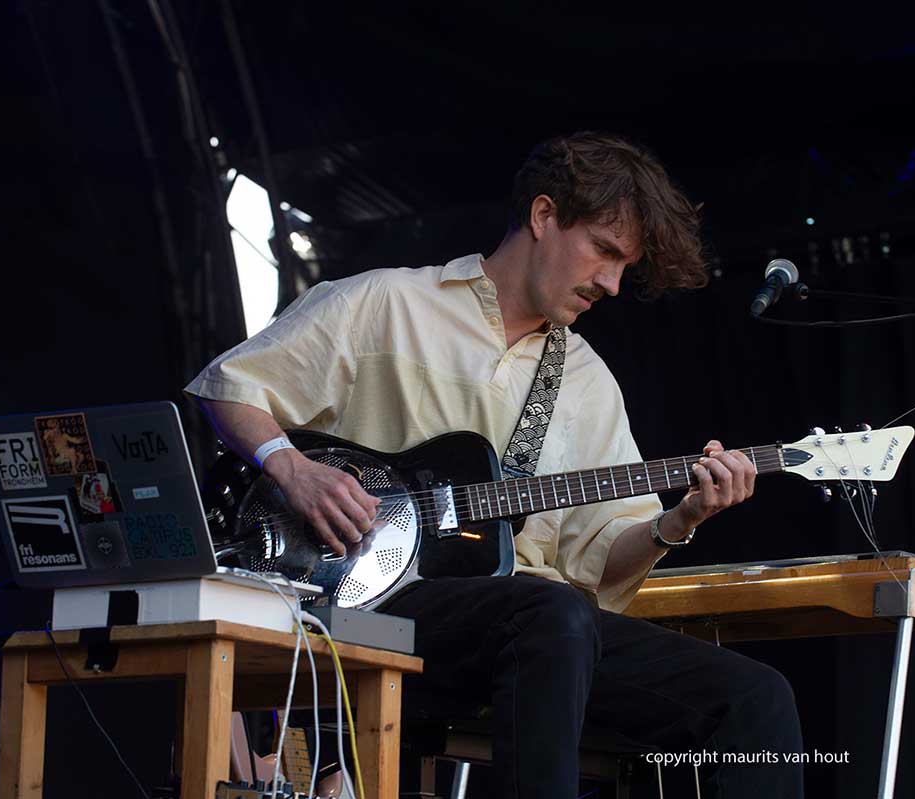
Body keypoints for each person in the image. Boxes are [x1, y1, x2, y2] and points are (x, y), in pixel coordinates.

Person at [185, 132, 803, 797]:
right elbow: (230, 387)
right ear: (543, 215)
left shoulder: (588, 380)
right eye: (604, 250)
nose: (612, 284)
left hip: (539, 637)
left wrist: (681, 519)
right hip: (373, 607)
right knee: (551, 614)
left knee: (755, 697)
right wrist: (294, 469)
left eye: (626, 267)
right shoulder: (385, 303)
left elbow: (597, 560)